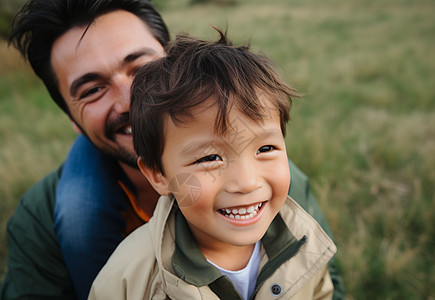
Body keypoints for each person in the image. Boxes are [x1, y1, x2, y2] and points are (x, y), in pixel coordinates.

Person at [0, 0, 345, 299]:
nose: (129, 100)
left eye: (142, 68)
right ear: (71, 118)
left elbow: (324, 281)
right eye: (92, 89)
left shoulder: (273, 184)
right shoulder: (43, 216)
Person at [89, 29, 337, 300]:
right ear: (159, 175)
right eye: (209, 158)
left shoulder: (303, 239)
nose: (247, 182)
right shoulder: (127, 279)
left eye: (265, 148)